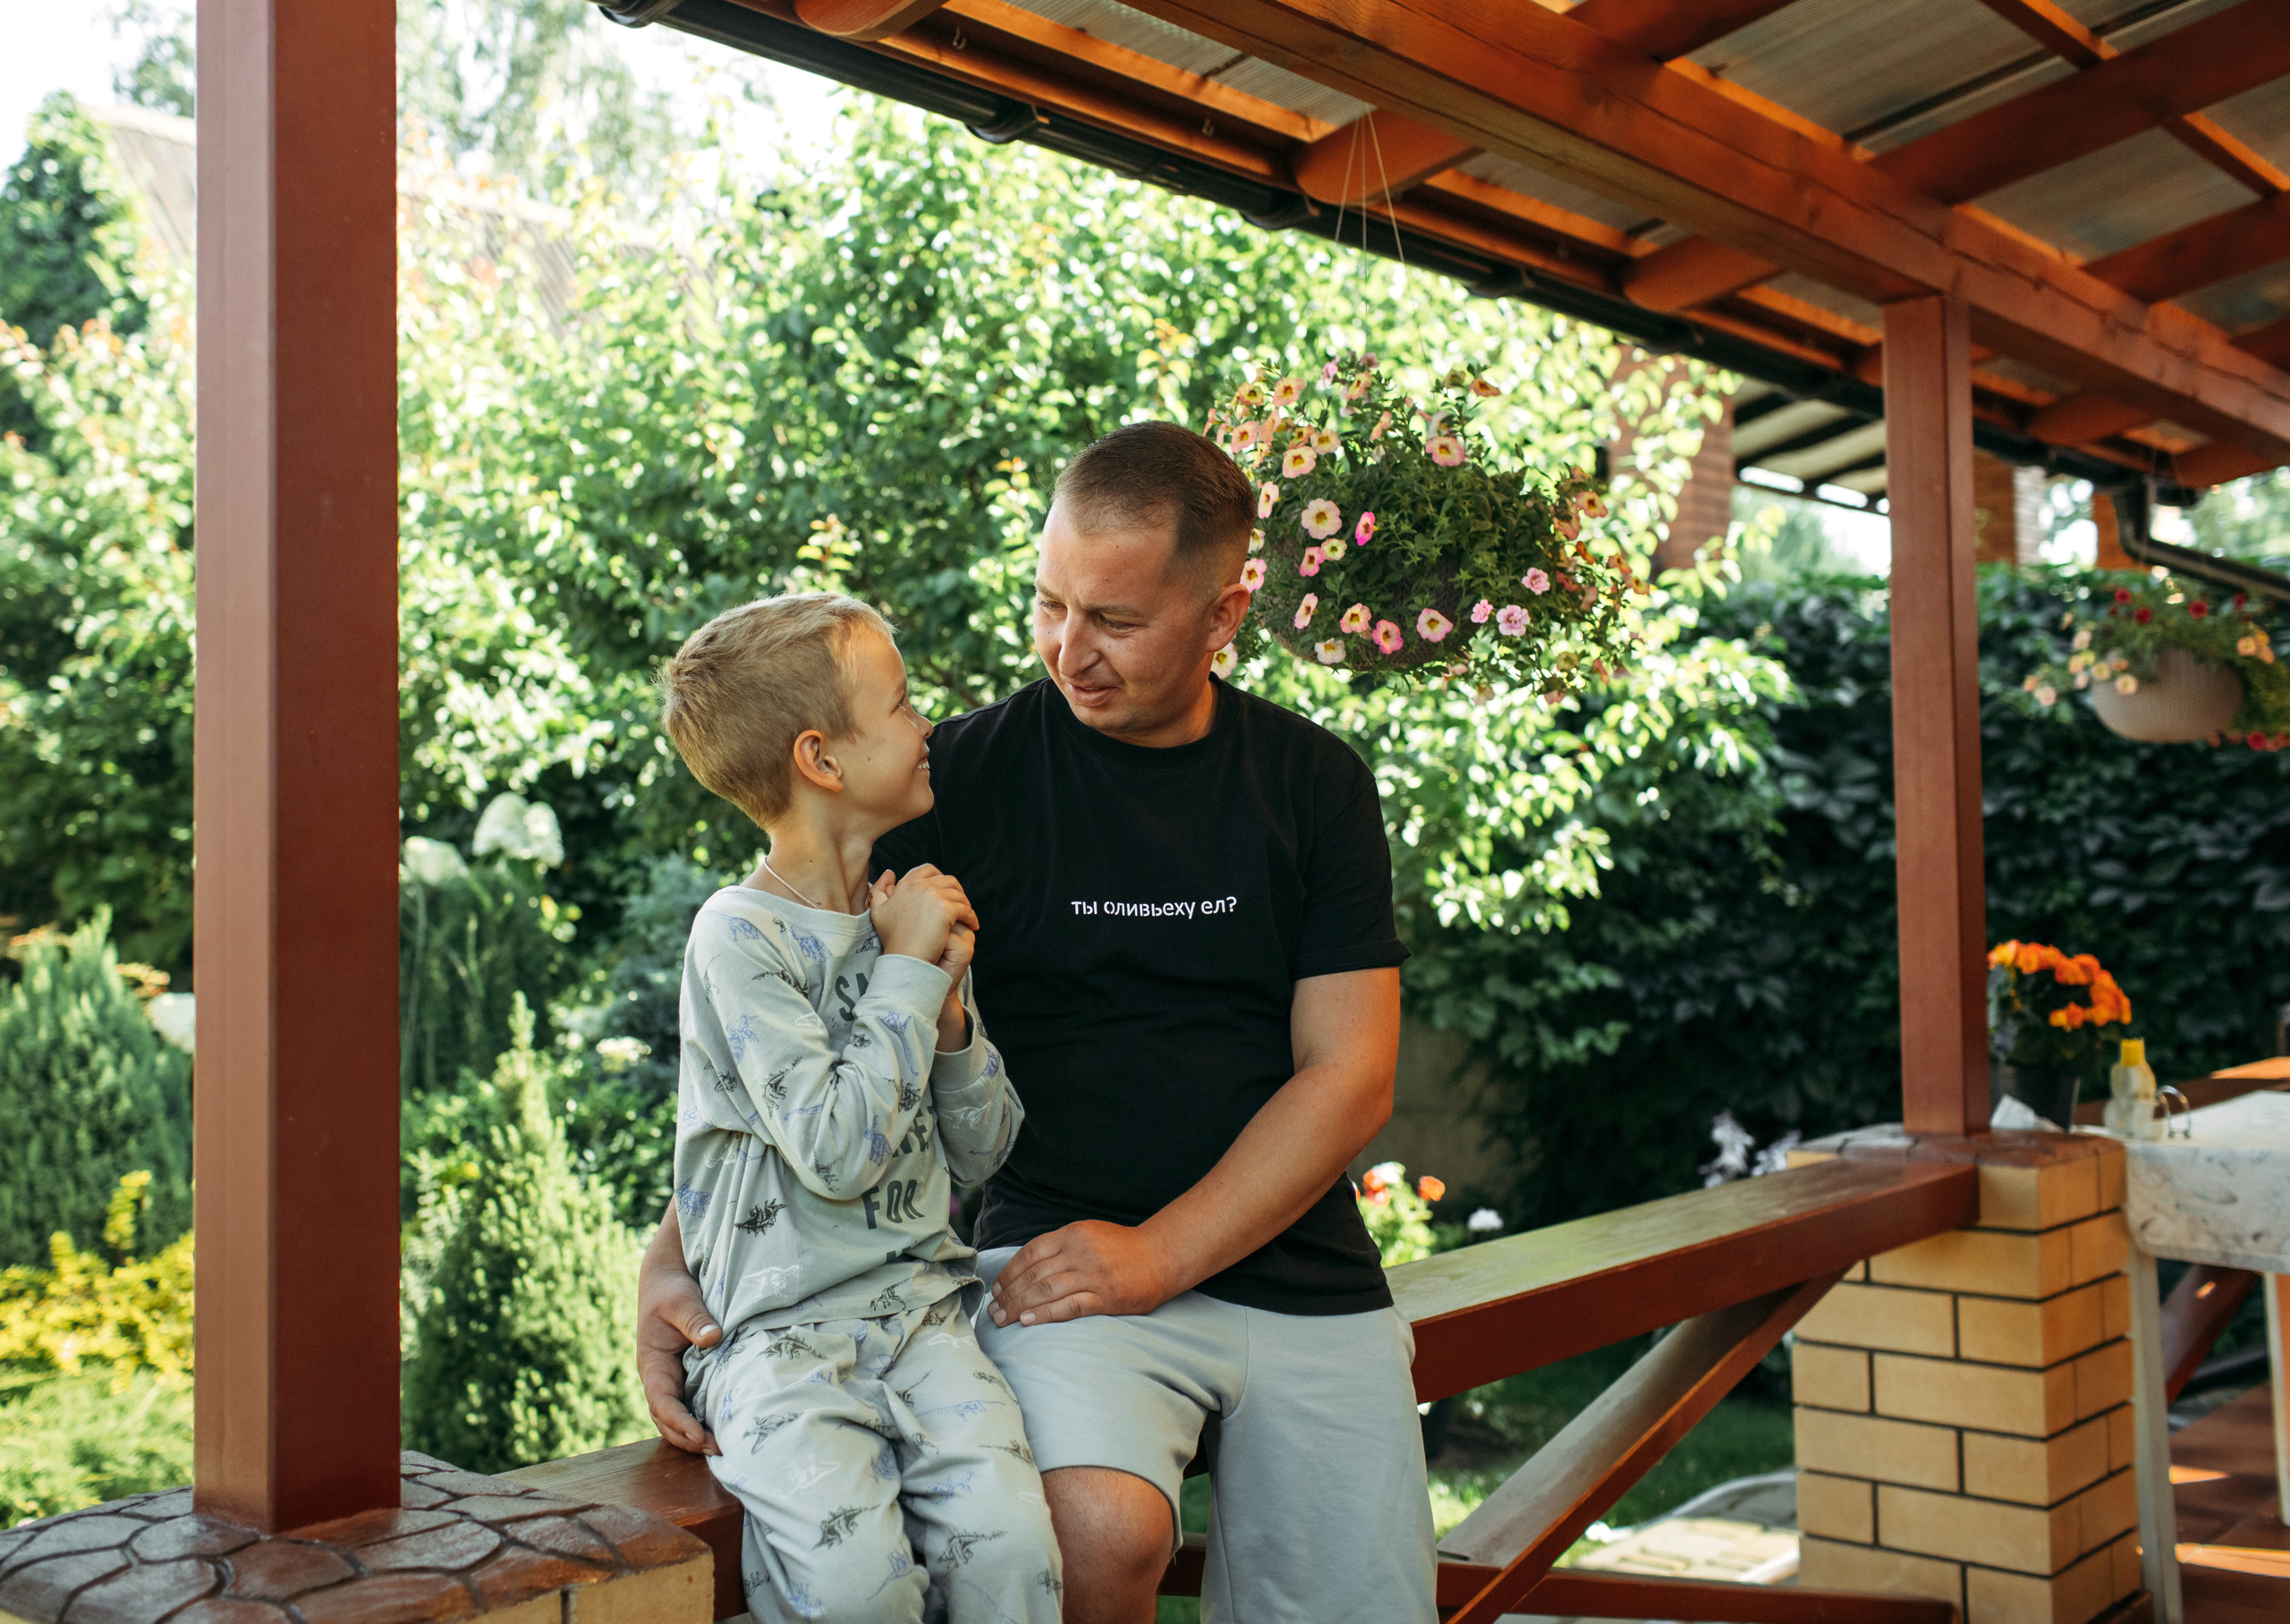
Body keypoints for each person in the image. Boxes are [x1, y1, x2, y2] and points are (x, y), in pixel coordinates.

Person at [642, 423, 1437, 1623]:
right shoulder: (954, 782)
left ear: (1228, 611)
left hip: (1302, 1273)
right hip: (1053, 1267)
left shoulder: (1315, 784)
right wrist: (676, 1260)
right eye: (1050, 603)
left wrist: (1161, 1253)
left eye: (1114, 620)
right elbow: (786, 1045)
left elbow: (1350, 1077)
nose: (1072, 650)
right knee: (1084, 1540)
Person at [654, 593, 1061, 1624]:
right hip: (781, 1344)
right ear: (821, 759)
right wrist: (910, 974)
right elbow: (838, 1149)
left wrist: (951, 1009)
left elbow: (983, 1153)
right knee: (853, 1593)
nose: (928, 724)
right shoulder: (738, 936)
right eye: (902, 703)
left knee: (1017, 1556)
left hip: (928, 1321)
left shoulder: (900, 919)